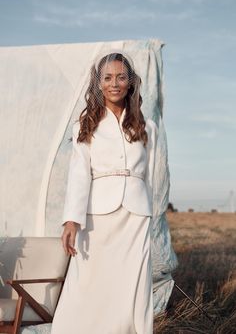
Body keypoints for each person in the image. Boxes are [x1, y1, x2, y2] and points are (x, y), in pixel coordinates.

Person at [51, 50, 175, 334]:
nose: (114, 83)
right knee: (89, 280)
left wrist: (152, 215)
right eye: (107, 78)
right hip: (97, 217)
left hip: (136, 216)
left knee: (131, 282)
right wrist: (72, 219)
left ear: (131, 82)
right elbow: (79, 174)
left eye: (121, 77)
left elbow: (152, 178)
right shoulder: (85, 125)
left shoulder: (149, 128)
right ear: (98, 84)